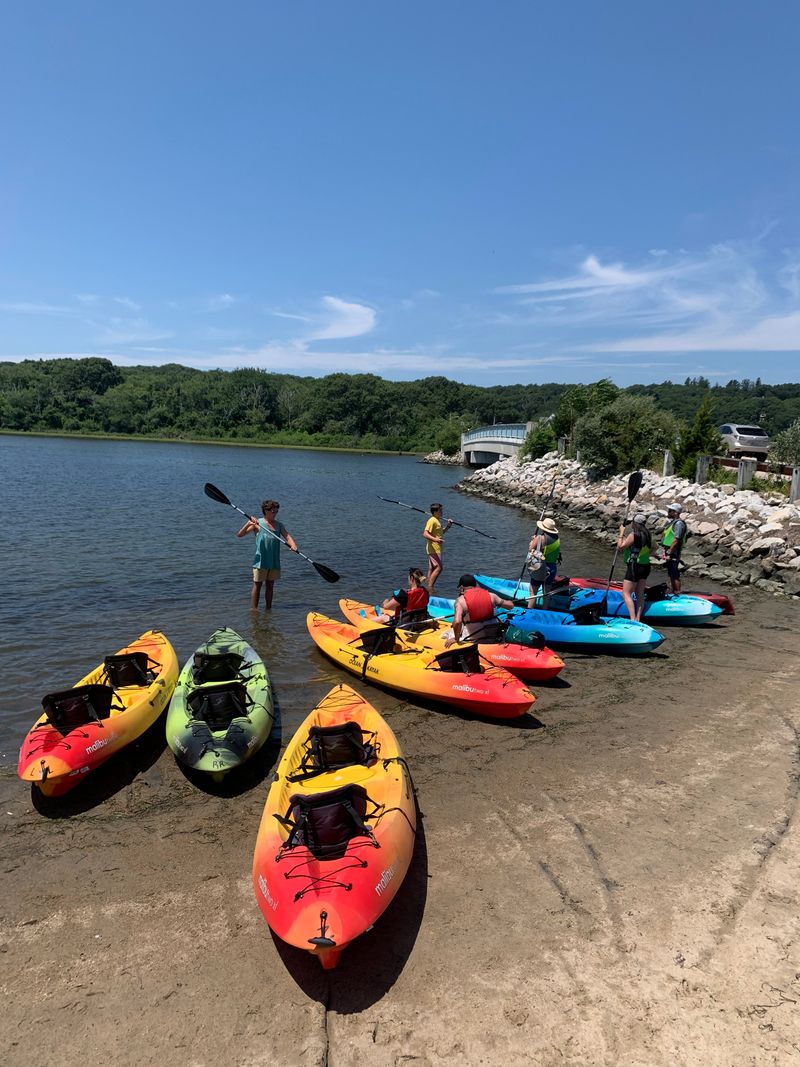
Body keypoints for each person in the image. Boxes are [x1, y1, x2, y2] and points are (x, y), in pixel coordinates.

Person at [236, 499, 298, 609]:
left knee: (270, 586)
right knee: (258, 585)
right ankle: (254, 609)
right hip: (261, 560)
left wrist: (293, 545)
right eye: (273, 511)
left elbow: (287, 536)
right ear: (266, 511)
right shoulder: (258, 523)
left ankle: (268, 609)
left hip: (274, 560)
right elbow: (240, 535)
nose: (275, 514)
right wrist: (248, 523)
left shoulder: (279, 525)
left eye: (276, 511)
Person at [444, 574, 516, 647]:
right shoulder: (491, 595)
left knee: (446, 634)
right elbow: (510, 606)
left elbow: (457, 622)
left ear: (462, 588)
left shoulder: (460, 601)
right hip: (493, 635)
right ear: (475, 585)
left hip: (476, 637)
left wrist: (456, 639)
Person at [617, 513, 652, 622]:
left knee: (626, 593)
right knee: (639, 593)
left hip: (634, 566)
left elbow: (620, 547)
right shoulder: (648, 534)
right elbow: (654, 547)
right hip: (645, 566)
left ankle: (633, 619)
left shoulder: (634, 534)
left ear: (635, 523)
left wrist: (621, 533)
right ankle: (638, 618)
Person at [527, 516, 561, 609]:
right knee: (547, 593)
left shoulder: (539, 538)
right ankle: (544, 610)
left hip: (540, 567)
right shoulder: (557, 539)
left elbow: (530, 549)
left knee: (533, 592)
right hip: (552, 568)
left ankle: (529, 611)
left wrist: (533, 540)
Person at [423, 503, 453, 593]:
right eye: (440, 510)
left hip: (435, 547)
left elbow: (440, 533)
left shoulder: (437, 520)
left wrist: (448, 526)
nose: (442, 512)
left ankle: (427, 588)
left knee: (432, 568)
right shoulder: (432, 520)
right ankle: (430, 588)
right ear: (435, 512)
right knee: (439, 568)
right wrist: (435, 540)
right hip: (434, 548)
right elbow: (425, 533)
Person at [661, 503, 688, 594]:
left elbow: (676, 539)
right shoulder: (672, 522)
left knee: (674, 573)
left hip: (673, 552)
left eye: (670, 511)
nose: (668, 512)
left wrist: (669, 552)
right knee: (671, 573)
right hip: (670, 551)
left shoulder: (679, 524)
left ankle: (677, 592)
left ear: (676, 512)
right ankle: (673, 591)